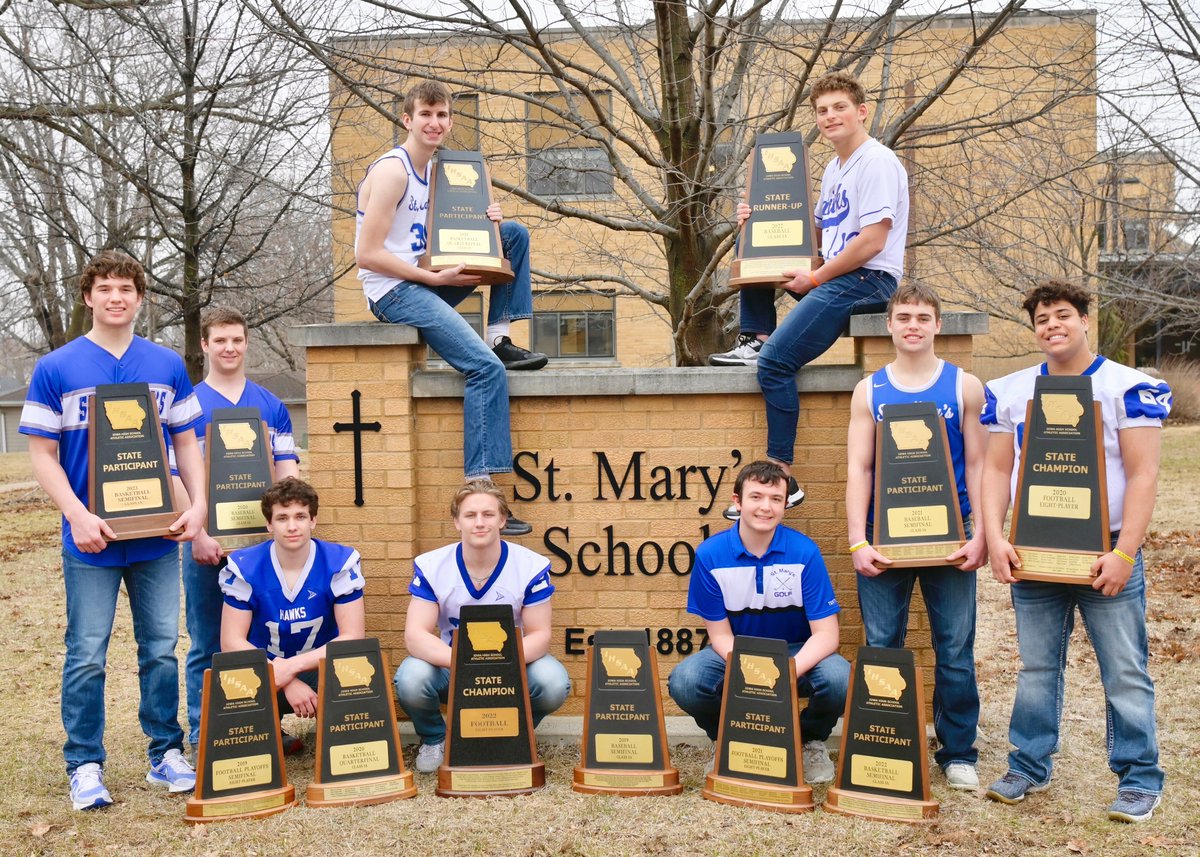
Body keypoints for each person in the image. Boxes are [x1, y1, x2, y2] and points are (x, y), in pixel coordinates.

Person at [20, 250, 205, 810]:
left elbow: (187, 442)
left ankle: (165, 753)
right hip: (90, 537)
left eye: (127, 287)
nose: (116, 297)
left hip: (156, 536)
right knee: (87, 652)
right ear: (88, 296)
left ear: (140, 297)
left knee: (160, 649)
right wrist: (77, 514)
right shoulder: (56, 367)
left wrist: (198, 506)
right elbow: (42, 454)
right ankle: (84, 763)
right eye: (105, 288)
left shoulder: (168, 363)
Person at [980, 281, 1171, 822]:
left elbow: (1143, 473)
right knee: (1037, 667)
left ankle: (1139, 777)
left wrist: (1126, 553)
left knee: (1124, 669)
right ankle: (1028, 765)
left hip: (1104, 552)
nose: (1052, 325)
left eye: (1062, 315)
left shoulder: (1126, 385)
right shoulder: (1013, 390)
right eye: (1042, 319)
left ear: (1086, 320)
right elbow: (995, 469)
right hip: (1034, 552)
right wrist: (996, 538)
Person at [715, 72, 909, 520]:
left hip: (868, 281)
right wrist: (759, 217)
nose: (830, 117)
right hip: (839, 277)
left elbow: (872, 241)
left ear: (862, 111)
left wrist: (815, 279)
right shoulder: (835, 168)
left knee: (778, 364)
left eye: (839, 107)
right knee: (766, 260)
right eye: (822, 111)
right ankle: (754, 335)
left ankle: (782, 475)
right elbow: (814, 233)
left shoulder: (875, 162)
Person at [355, 79, 546, 536]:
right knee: (483, 370)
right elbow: (366, 254)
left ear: (450, 121)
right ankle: (481, 492)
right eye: (425, 114)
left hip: (428, 279)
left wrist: (487, 226)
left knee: (513, 235)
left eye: (442, 115)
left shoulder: (440, 171)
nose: (434, 122)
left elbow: (448, 235)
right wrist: (432, 279)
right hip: (395, 291)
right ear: (407, 119)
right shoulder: (393, 172)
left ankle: (499, 336)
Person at [844, 283, 987, 790]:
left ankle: (958, 751)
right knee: (883, 644)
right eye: (903, 316)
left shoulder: (964, 386)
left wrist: (984, 534)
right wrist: (857, 542)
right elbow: (860, 468)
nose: (913, 325)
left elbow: (978, 464)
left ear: (938, 325)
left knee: (955, 648)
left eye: (923, 317)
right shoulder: (870, 390)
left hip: (952, 541)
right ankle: (886, 743)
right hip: (883, 540)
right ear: (889, 324)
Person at [668, 460, 850, 783]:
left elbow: (827, 635)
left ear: (785, 505)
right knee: (685, 680)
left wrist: (787, 670)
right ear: (737, 501)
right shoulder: (710, 555)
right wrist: (752, 669)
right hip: (737, 651)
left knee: (840, 678)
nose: (766, 507)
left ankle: (809, 741)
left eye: (775, 499)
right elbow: (720, 636)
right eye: (756, 497)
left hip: (796, 651)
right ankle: (725, 740)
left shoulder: (805, 553)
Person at [176, 306, 300, 753]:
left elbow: (288, 479)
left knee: (258, 639)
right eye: (220, 340)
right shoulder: (186, 404)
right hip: (207, 542)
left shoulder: (271, 406)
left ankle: (263, 726)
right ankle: (203, 733)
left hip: (262, 547)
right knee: (208, 640)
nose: (230, 348)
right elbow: (178, 476)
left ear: (246, 343)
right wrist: (198, 533)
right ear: (205, 346)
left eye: (237, 339)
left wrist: (282, 532)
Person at [393, 479, 570, 773]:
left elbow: (540, 637)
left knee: (552, 682)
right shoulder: (433, 565)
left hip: (510, 664)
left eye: (488, 514)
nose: (479, 523)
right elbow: (415, 636)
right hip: (452, 664)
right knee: (410, 677)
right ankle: (436, 737)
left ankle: (512, 733)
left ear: (502, 520)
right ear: (456, 521)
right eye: (470, 515)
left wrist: (499, 664)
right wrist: (465, 663)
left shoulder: (529, 565)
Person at [219, 478, 365, 738]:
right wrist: (283, 676)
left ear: (313, 521)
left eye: (300, 516)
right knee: (231, 684)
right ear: (268, 524)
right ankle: (266, 735)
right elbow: (231, 641)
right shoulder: (246, 566)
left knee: (358, 671)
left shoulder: (338, 562)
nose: (292, 526)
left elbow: (352, 637)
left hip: (318, 670)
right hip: (263, 671)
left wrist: (291, 667)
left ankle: (342, 737)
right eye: (282, 518)